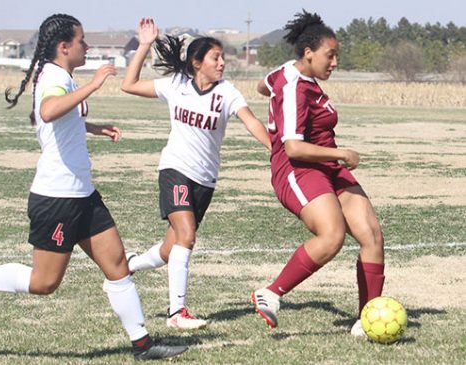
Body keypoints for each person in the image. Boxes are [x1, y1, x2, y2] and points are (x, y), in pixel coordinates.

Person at [0, 14, 188, 360]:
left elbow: (57, 121)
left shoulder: (62, 77)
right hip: (57, 199)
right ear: (64, 47)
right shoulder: (54, 77)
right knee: (44, 283)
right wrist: (94, 84)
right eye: (82, 41)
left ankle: (143, 345)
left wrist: (94, 127)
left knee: (117, 266)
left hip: (83, 195)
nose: (88, 46)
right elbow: (50, 111)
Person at [121, 17, 271, 330]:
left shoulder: (227, 92)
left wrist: (276, 149)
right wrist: (145, 45)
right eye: (216, 58)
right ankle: (177, 313)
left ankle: (129, 265)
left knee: (169, 249)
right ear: (197, 62)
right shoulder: (175, 84)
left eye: (223, 58)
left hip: (205, 180)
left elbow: (252, 122)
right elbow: (129, 84)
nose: (222, 63)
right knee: (187, 236)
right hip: (175, 169)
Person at [251, 10, 385, 337]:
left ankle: (368, 319)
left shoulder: (292, 75)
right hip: (297, 168)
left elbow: (261, 85)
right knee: (332, 235)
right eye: (330, 55)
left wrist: (275, 91)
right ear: (308, 53)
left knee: (371, 235)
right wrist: (342, 153)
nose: (335, 62)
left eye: (337, 55)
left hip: (327, 166)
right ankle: (270, 292)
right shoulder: (295, 85)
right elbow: (294, 147)